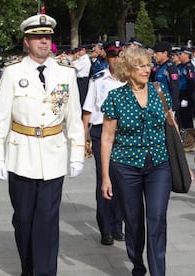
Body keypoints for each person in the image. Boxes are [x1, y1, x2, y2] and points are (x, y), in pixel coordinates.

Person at [0, 13, 85, 275]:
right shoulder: (12, 73)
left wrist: (77, 153)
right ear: (26, 42)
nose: (43, 41)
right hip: (21, 157)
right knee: (23, 220)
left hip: (53, 155)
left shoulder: (66, 73)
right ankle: (28, 268)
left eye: (47, 37)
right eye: (37, 37)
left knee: (47, 221)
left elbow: (74, 117)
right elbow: (0, 119)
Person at [100, 46, 173, 276]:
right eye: (140, 65)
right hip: (125, 166)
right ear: (128, 69)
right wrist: (105, 177)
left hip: (159, 164)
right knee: (133, 221)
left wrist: (182, 164)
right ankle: (138, 267)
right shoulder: (116, 97)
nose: (146, 69)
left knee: (157, 217)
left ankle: (158, 271)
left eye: (148, 64)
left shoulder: (160, 91)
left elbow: (172, 126)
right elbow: (107, 138)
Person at [82, 40, 125, 246]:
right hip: (101, 133)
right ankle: (106, 228)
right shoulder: (98, 80)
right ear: (107, 58)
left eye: (119, 55)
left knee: (123, 180)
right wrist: (84, 137)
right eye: (112, 55)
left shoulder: (131, 80)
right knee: (105, 178)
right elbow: (88, 111)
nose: (116, 59)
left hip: (125, 135)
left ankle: (118, 225)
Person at [152, 41, 180, 111]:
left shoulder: (170, 68)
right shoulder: (159, 67)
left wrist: (173, 108)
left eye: (156, 53)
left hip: (167, 105)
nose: (154, 55)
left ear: (165, 53)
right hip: (158, 104)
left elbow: (174, 88)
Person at [177, 46, 195, 129]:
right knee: (180, 119)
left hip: (185, 95)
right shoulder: (180, 66)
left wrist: (186, 98)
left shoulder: (189, 67)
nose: (179, 56)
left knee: (186, 119)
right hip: (179, 94)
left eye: (181, 54)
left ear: (187, 55)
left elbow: (191, 83)